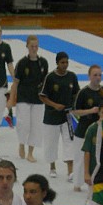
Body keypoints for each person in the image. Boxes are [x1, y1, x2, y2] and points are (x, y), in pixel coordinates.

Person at [8, 35, 49, 163]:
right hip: (23, 97)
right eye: (32, 46)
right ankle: (21, 144)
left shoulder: (43, 62)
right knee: (23, 123)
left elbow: (45, 83)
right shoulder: (22, 63)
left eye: (36, 46)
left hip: (38, 99)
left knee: (36, 126)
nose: (34, 48)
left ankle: (30, 152)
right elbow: (15, 83)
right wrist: (11, 99)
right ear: (27, 46)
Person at [39, 51, 79, 179]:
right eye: (62, 62)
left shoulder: (72, 76)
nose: (65, 65)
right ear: (57, 63)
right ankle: (52, 167)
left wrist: (75, 108)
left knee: (69, 142)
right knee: (51, 143)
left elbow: (76, 94)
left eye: (66, 62)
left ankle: (70, 170)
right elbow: (42, 96)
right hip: (51, 116)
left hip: (67, 116)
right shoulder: (50, 77)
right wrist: (54, 105)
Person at [72, 65, 103, 192]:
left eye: (99, 75)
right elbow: (75, 111)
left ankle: (96, 182)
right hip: (83, 130)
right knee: (79, 158)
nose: (98, 77)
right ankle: (77, 183)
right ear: (89, 76)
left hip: (100, 130)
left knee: (98, 158)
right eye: (95, 75)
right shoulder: (83, 93)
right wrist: (90, 110)